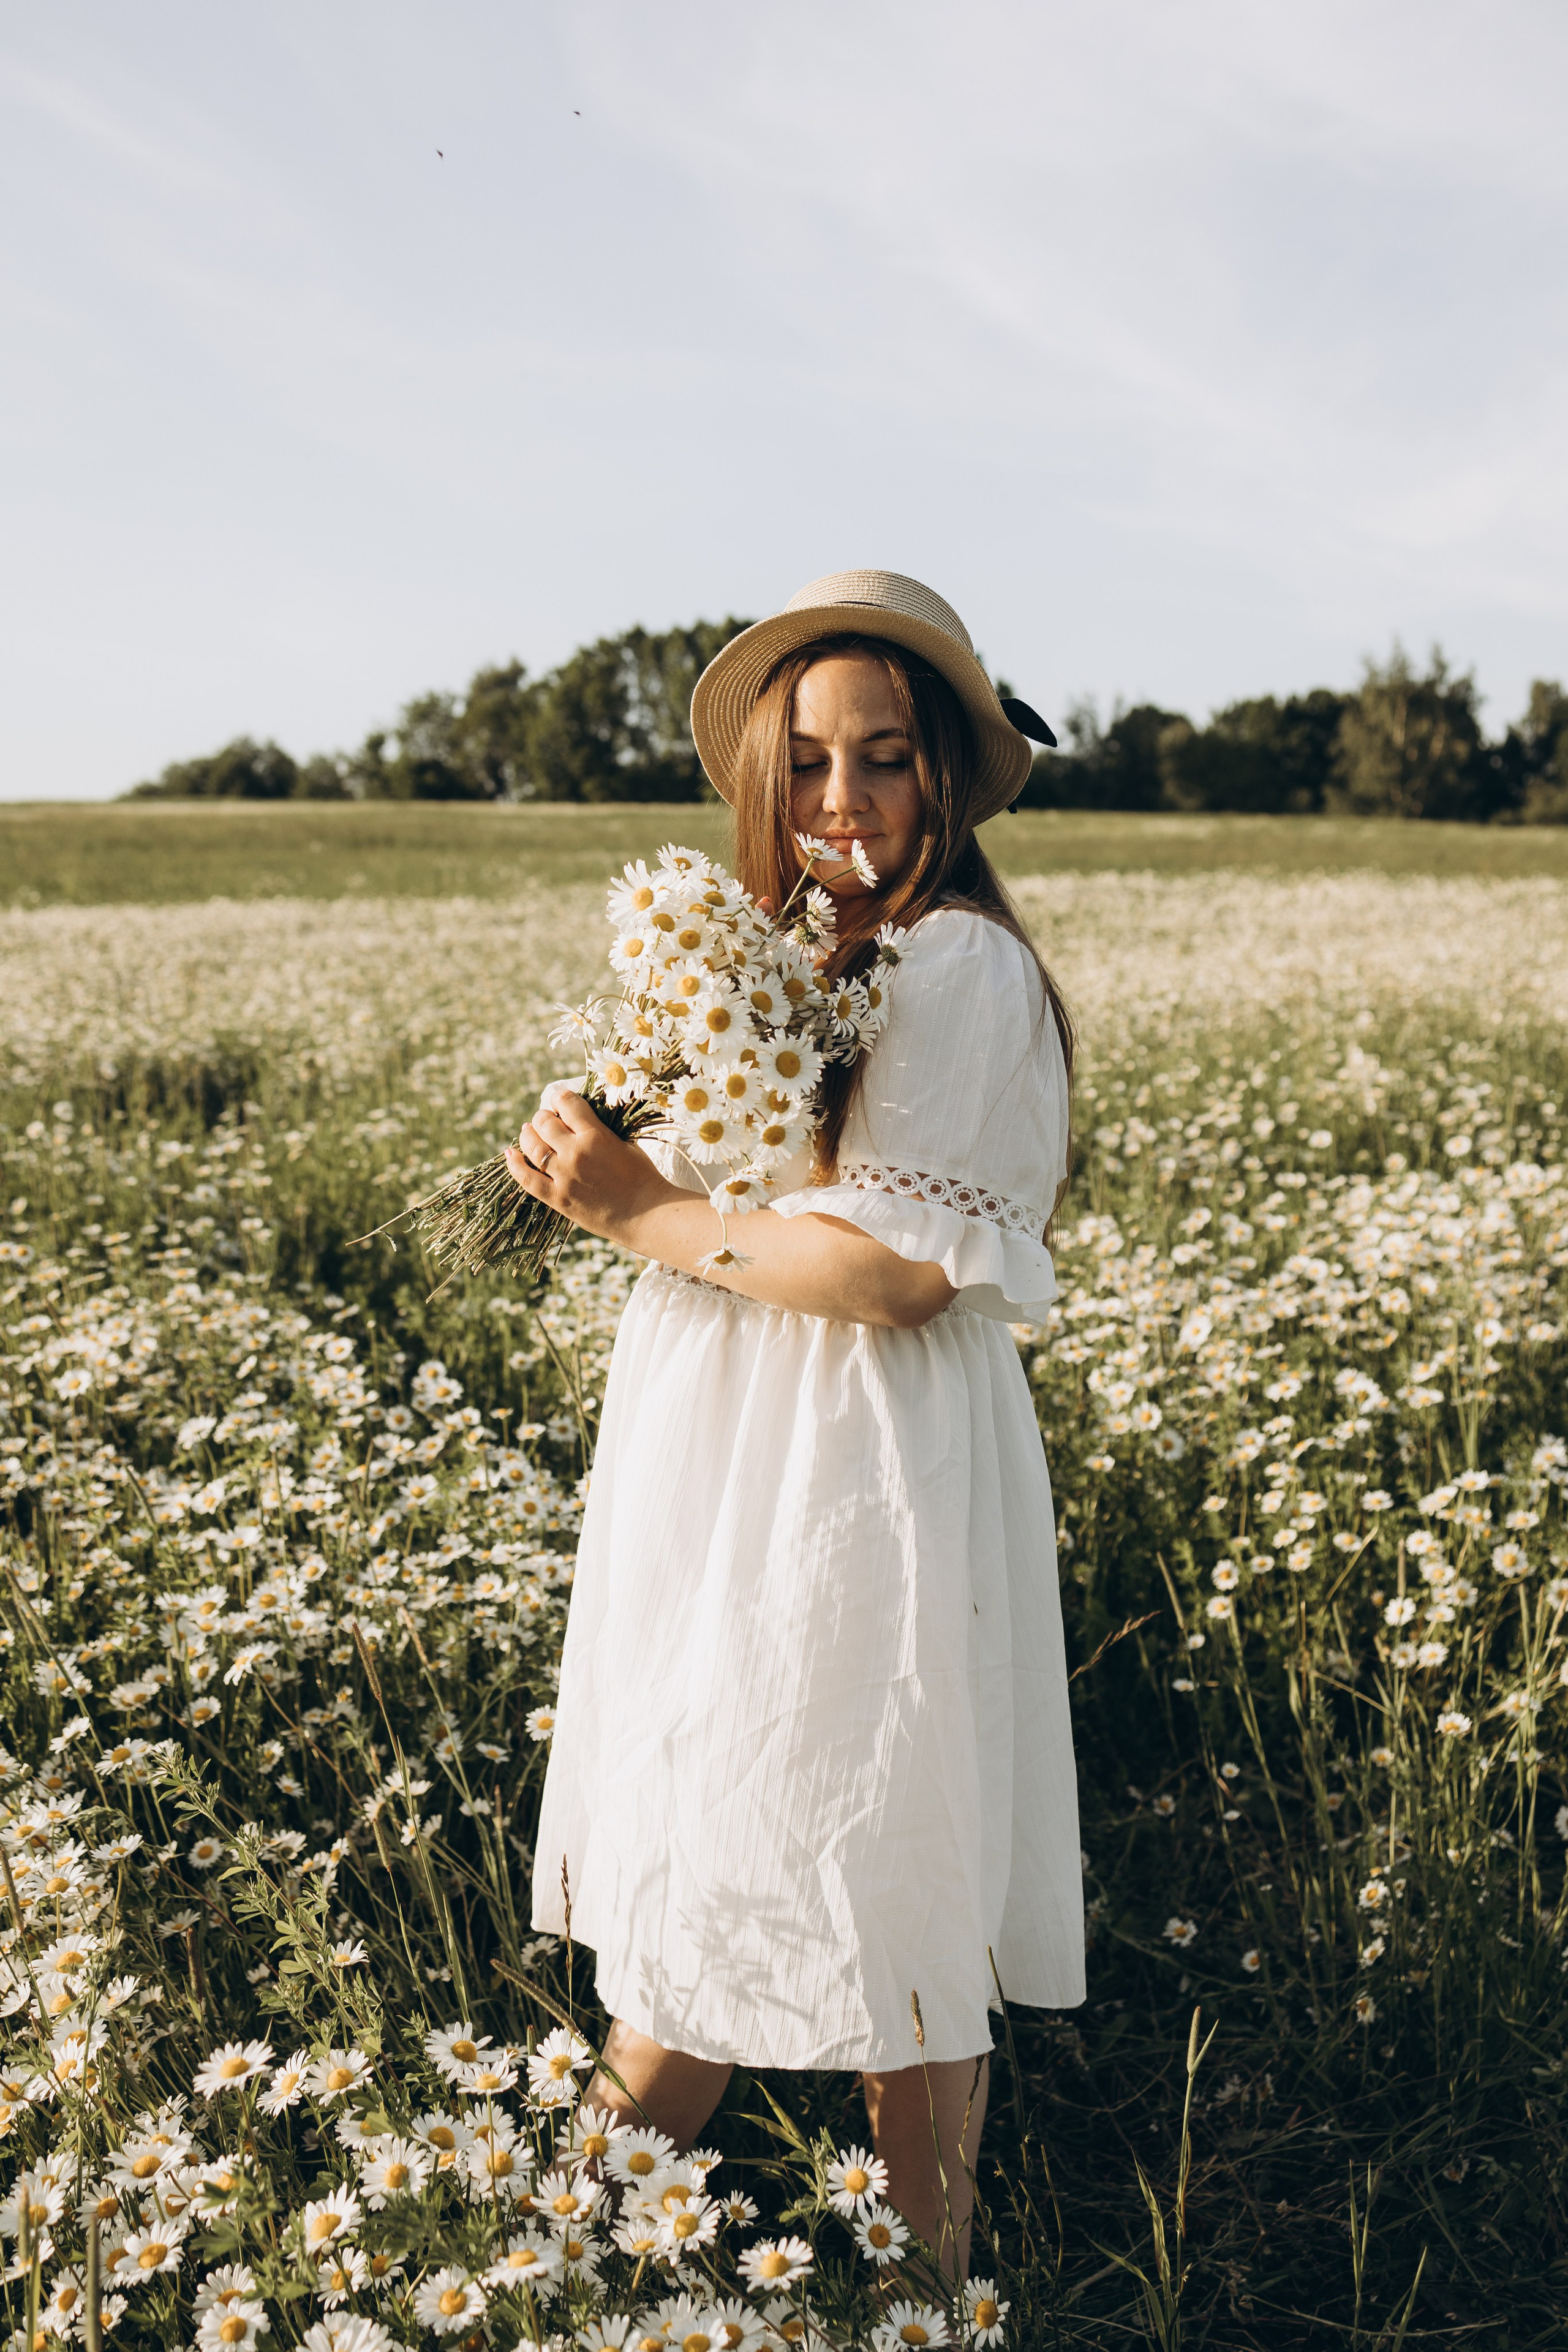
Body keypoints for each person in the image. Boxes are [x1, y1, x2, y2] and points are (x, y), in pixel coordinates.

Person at [507, 570, 1084, 2275]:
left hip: (859, 1458)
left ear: (953, 778)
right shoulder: (785, 954)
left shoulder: (959, 965)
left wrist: (633, 1213)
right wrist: (595, 1139)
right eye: (811, 766)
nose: (844, 805)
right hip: (745, 1455)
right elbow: (753, 1182)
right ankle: (624, 2254)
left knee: (833, 1831)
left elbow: (896, 1279)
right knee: (776, 1827)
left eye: (888, 760)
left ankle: (598, 2247)